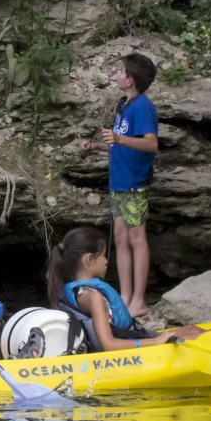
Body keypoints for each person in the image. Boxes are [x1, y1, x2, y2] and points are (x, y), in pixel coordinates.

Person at [81, 51, 158, 318]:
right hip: (119, 184)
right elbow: (119, 144)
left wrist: (119, 139)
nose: (117, 74)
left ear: (131, 80)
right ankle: (125, 296)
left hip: (135, 183)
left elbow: (151, 143)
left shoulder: (143, 107)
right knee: (121, 238)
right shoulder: (124, 107)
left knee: (137, 239)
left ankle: (139, 300)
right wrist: (96, 146)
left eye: (121, 71)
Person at [46, 225, 202, 351]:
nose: (106, 261)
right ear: (89, 259)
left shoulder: (73, 291)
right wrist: (155, 342)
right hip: (127, 344)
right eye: (103, 255)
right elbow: (109, 345)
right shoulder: (93, 296)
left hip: (130, 335)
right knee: (194, 332)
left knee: (191, 328)